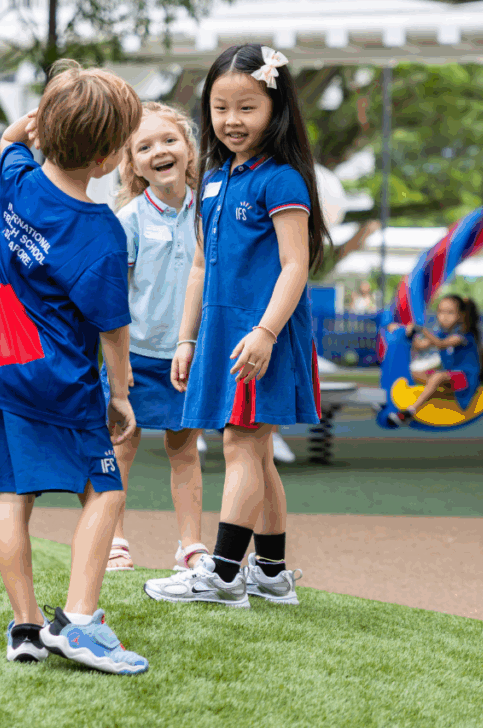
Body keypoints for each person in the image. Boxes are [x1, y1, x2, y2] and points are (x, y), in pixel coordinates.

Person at [0, 60, 149, 674]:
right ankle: (80, 622)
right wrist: (120, 392)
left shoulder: (17, 179)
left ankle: (25, 627)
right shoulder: (100, 232)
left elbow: (8, 141)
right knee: (106, 488)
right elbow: (112, 327)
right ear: (105, 162)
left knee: (12, 496)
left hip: (1, 371)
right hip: (61, 381)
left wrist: (35, 124)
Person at [143, 43, 326, 608]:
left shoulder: (283, 180)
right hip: (221, 338)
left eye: (246, 107)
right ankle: (269, 573)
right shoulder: (217, 179)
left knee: (241, 442)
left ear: (276, 109)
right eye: (221, 107)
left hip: (262, 334)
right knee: (257, 449)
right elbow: (200, 265)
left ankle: (223, 576)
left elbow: (297, 264)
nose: (231, 120)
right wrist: (186, 339)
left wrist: (267, 332)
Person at [101, 102, 208, 574]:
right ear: (133, 164)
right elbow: (115, 299)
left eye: (169, 140)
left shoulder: (210, 212)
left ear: (189, 148)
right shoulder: (127, 222)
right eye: (144, 146)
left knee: (184, 449)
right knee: (121, 445)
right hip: (135, 356)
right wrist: (114, 365)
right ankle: (114, 539)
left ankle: (190, 545)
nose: (159, 151)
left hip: (188, 359)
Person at [386, 294, 481, 427]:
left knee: (437, 376)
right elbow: (419, 346)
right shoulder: (441, 333)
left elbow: (441, 344)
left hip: (465, 378)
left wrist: (421, 329)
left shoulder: (463, 336)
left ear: (461, 315)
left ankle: (410, 412)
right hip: (450, 377)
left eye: (450, 312)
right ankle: (425, 397)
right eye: (441, 312)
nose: (444, 316)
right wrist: (404, 332)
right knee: (414, 373)